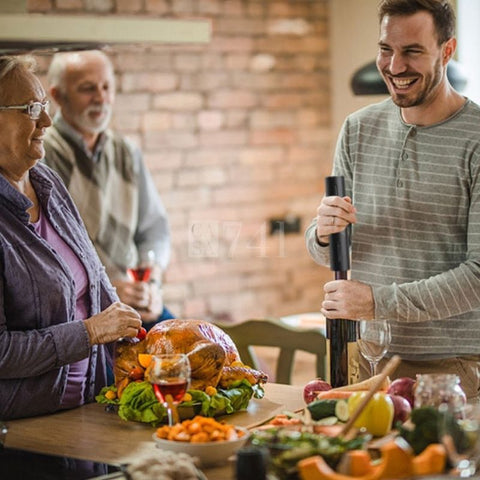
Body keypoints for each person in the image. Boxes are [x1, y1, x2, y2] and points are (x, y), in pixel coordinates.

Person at [305, 0, 480, 400]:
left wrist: (376, 302)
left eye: (413, 51)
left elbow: (479, 276)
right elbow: (326, 249)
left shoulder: (477, 140)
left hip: (448, 371)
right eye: (387, 49)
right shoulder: (357, 129)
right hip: (362, 360)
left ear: (447, 50)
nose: (395, 66)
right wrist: (322, 235)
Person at [0, 55, 142, 420]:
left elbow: (93, 279)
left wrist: (134, 341)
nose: (47, 121)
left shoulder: (46, 181)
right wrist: (90, 332)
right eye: (31, 109)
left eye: (44, 107)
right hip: (28, 432)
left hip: (91, 407)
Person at [42, 50, 174, 330]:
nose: (101, 98)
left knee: (201, 356)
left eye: (106, 87)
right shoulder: (41, 155)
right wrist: (100, 287)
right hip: (79, 314)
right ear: (57, 95)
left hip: (133, 305)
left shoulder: (126, 152)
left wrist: (152, 286)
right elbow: (41, 252)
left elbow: (154, 231)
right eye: (87, 89)